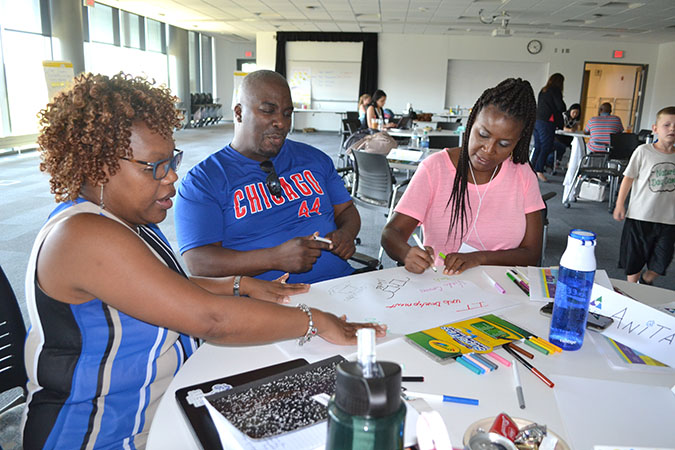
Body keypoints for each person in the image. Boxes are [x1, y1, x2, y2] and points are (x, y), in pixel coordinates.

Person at [23, 72, 386, 449]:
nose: (172, 178)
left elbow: (162, 286)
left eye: (172, 160)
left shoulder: (123, 221)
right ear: (97, 165)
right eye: (154, 167)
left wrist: (239, 283)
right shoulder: (84, 236)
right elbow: (211, 319)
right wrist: (316, 321)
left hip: (160, 402)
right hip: (105, 432)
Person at [175, 70, 362, 284]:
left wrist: (346, 233)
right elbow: (198, 262)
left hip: (342, 284)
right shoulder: (203, 181)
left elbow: (346, 210)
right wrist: (275, 258)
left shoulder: (314, 159)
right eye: (268, 111)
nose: (281, 123)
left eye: (287, 113)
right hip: (265, 302)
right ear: (238, 113)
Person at [381, 78, 545, 275]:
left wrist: (479, 258)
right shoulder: (435, 168)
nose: (488, 149)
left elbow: (531, 253)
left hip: (502, 290)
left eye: (504, 144)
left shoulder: (522, 174)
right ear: (471, 122)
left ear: (518, 141)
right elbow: (391, 233)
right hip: (443, 287)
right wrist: (406, 253)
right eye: (483, 134)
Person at [613, 106, 675, 285]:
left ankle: (646, 280)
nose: (672, 129)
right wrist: (619, 204)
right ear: (655, 128)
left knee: (662, 261)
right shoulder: (644, 151)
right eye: (667, 125)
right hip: (641, 215)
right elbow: (628, 179)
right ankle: (631, 288)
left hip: (669, 219)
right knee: (635, 257)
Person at [531, 73, 566, 182]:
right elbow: (560, 106)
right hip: (547, 122)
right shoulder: (555, 90)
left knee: (538, 146)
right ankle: (539, 170)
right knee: (546, 147)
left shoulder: (544, 90)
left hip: (536, 120)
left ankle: (530, 170)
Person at [551, 103, 582, 167]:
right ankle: (557, 160)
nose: (575, 114)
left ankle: (571, 163)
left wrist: (573, 128)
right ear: (570, 110)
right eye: (574, 112)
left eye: (577, 113)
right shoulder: (564, 116)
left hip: (568, 137)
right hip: (559, 136)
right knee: (561, 146)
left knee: (575, 146)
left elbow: (575, 127)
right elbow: (561, 126)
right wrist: (569, 130)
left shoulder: (576, 120)